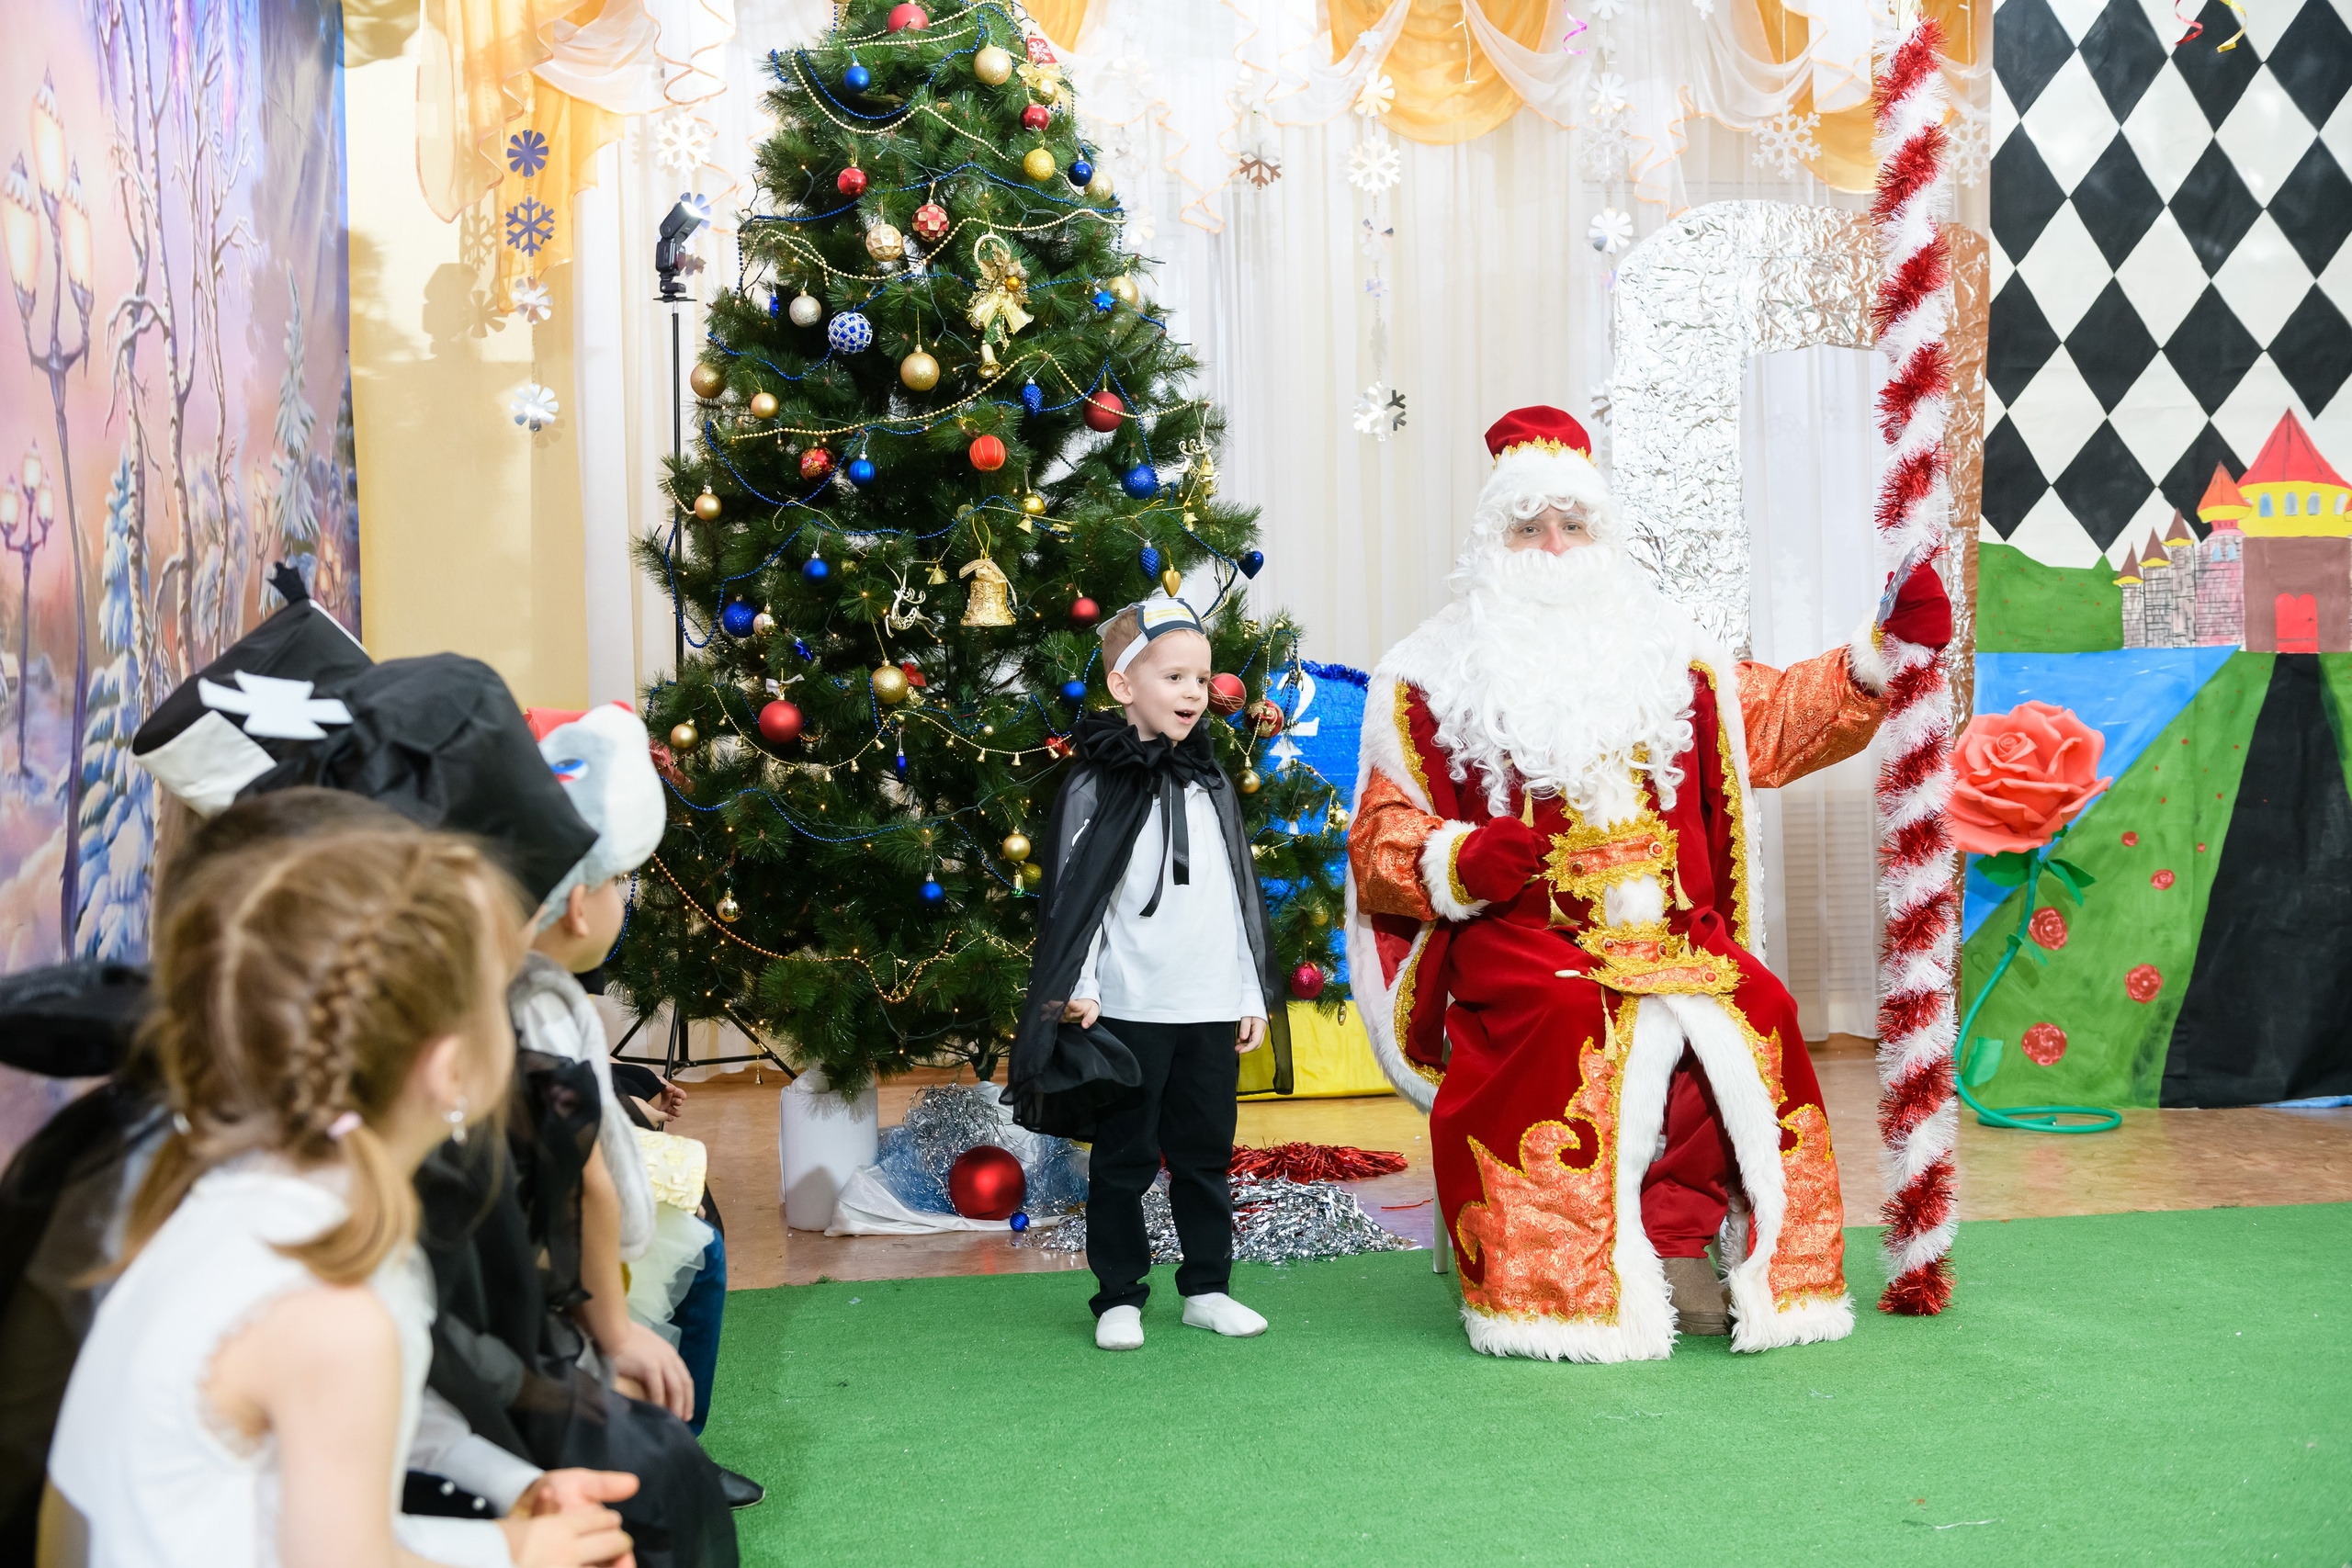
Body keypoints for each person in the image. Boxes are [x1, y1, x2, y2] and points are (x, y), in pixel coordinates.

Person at [1344, 405, 1951, 1360]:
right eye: (1528, 527)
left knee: (1757, 1008)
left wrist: (1874, 656)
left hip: (1676, 938)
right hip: (1525, 942)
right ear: (1492, 542)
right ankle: (1554, 1278)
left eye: (1571, 524)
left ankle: (1673, 1243)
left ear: (1602, 532)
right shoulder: (1429, 676)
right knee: (1568, 1021)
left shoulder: (1672, 653)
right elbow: (1381, 839)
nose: (1553, 546)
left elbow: (1777, 723)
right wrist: (1456, 858)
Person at [42, 828, 638, 1568]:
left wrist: (511, 1498)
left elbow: (360, 1425)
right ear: (453, 1069)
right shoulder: (333, 1307)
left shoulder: (256, 1192)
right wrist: (521, 1556)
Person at [1003, 595, 1294, 1353]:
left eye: (1202, 677)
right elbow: (1079, 901)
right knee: (1125, 1159)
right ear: (1125, 686)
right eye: (1175, 676)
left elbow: (1236, 896)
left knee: (1204, 1155)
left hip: (1205, 1006)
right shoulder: (1095, 787)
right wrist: (1084, 985)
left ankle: (1207, 1287)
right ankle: (1119, 1294)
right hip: (1127, 1009)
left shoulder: (1213, 785)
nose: (1195, 692)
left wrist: (1246, 989)